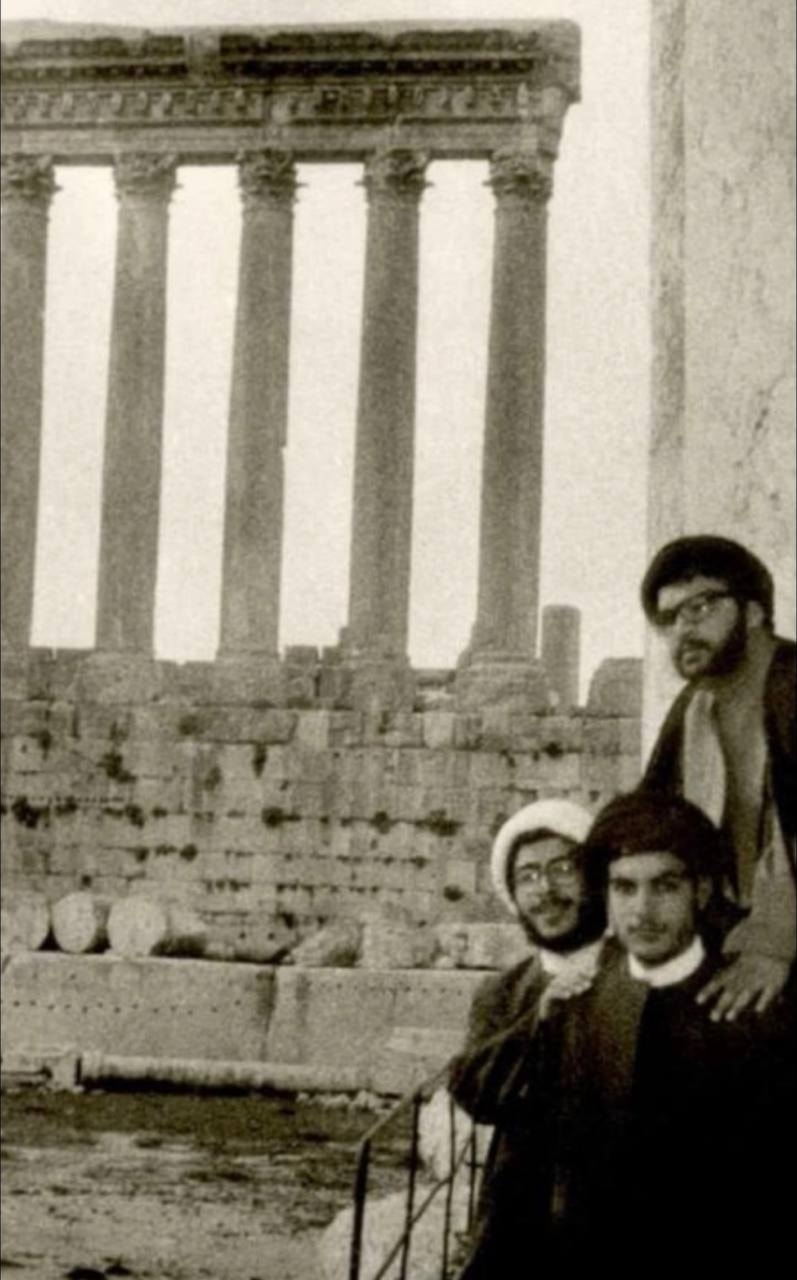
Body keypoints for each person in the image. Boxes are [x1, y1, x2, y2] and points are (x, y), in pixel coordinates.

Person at [535, 791, 794, 1270]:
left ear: (701, 891)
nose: (642, 912)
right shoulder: (576, 1007)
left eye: (665, 886)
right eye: (624, 888)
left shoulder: (758, 1015)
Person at [448, 798, 608, 1279]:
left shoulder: (636, 968)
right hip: (523, 1218)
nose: (545, 891)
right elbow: (478, 1093)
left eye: (562, 869)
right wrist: (542, 1018)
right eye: (528, 877)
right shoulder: (502, 992)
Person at [640, 534, 795, 1019]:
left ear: (752, 611)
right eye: (667, 619)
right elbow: (646, 824)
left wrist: (772, 943)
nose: (682, 629)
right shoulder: (693, 707)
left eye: (701, 606)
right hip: (734, 938)